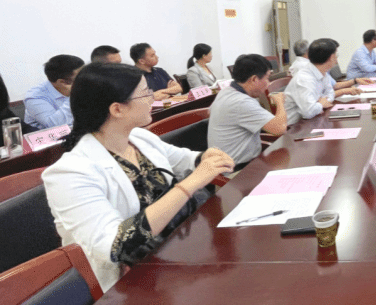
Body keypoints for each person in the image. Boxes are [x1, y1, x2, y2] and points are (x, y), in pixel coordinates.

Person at [42, 63, 234, 292]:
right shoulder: (70, 173)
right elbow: (114, 246)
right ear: (117, 109)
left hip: (175, 251)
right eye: (145, 93)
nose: (152, 97)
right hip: (127, 283)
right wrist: (191, 183)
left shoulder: (138, 138)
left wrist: (204, 157)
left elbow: (183, 159)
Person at [208, 54, 288, 167]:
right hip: (237, 170)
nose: (268, 83)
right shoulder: (241, 102)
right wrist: (280, 101)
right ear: (254, 79)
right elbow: (280, 128)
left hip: (239, 162)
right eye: (267, 78)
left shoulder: (226, 92)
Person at [284, 38, 340, 125]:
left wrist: (321, 103)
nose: (336, 60)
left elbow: (331, 93)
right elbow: (308, 112)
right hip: (295, 127)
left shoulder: (323, 72)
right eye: (336, 55)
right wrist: (321, 104)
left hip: (313, 120)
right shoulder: (304, 78)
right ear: (331, 57)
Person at [23, 54, 85, 130]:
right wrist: (74, 95)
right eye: (81, 77)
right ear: (62, 82)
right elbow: (55, 126)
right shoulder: (34, 97)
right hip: (49, 135)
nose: (86, 78)